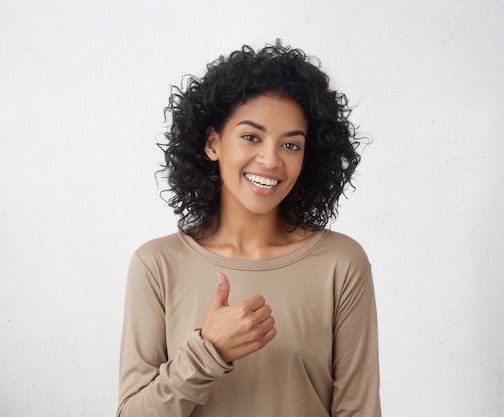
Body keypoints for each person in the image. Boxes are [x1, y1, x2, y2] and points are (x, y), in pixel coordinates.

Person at [117, 40, 381, 417]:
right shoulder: (157, 265)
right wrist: (209, 351)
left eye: (291, 145)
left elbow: (359, 409)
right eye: (251, 137)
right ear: (212, 143)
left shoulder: (341, 264)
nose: (271, 159)